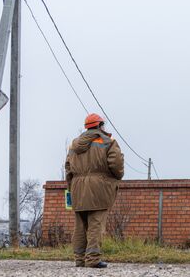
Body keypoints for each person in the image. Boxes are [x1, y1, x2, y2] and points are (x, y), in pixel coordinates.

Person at [65, 113, 124, 268]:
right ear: (100, 125)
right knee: (95, 225)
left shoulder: (74, 144)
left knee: (80, 226)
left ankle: (79, 259)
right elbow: (117, 165)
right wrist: (113, 178)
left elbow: (68, 169)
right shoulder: (108, 142)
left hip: (78, 188)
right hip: (99, 188)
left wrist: (72, 186)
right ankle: (93, 259)